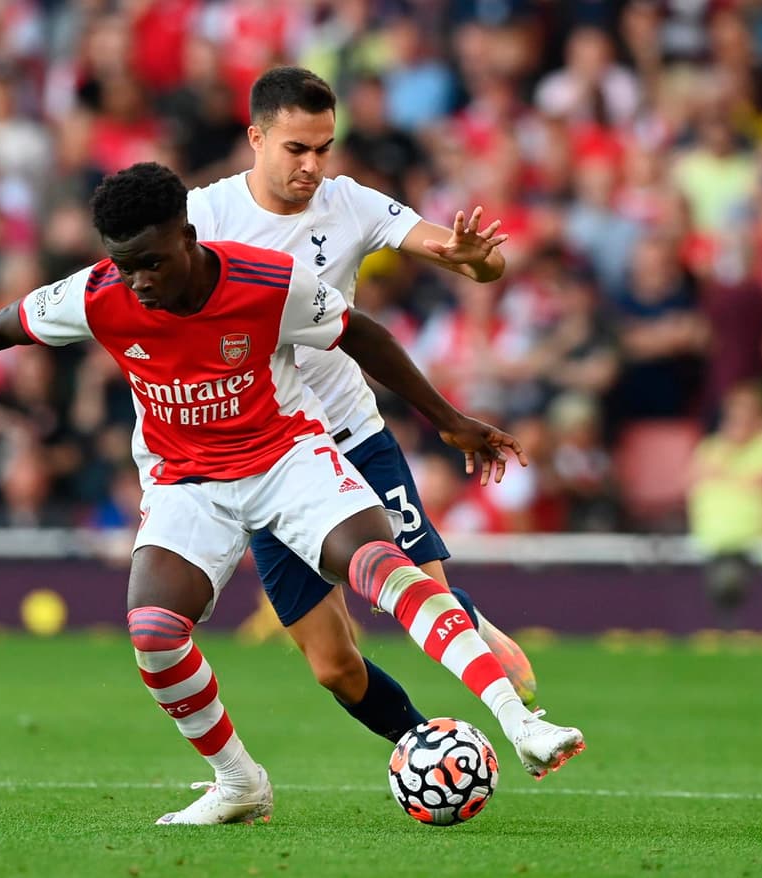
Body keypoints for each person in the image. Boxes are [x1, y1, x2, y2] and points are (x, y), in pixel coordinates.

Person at [0, 163, 585, 826]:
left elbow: (364, 336)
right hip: (185, 481)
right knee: (154, 633)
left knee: (380, 567)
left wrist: (449, 421)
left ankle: (518, 724)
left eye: (154, 262)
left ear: (189, 235)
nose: (140, 280)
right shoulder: (101, 294)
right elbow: (0, 326)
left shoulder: (265, 283)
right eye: (126, 264)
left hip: (285, 459)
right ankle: (239, 785)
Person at [187, 66, 538, 743]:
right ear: (256, 139)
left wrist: (474, 259)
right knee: (333, 665)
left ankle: (504, 721)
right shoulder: (206, 215)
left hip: (352, 433)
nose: (314, 165)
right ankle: (420, 742)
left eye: (325, 147)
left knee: (419, 601)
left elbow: (472, 259)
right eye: (297, 149)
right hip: (267, 453)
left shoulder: (350, 204)